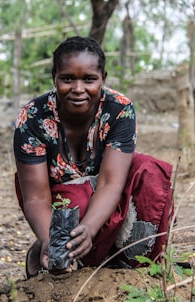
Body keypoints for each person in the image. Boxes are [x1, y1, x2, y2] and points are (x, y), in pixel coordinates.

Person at [13, 36, 174, 279]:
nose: (78, 89)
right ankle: (53, 253)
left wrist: (89, 228)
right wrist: (50, 239)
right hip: (61, 198)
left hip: (107, 190)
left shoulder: (119, 109)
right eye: (68, 78)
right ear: (54, 77)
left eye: (89, 79)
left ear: (103, 79)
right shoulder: (33, 117)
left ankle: (130, 269)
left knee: (150, 172)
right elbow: (36, 197)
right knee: (77, 201)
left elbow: (111, 183)